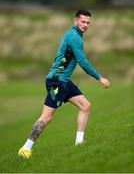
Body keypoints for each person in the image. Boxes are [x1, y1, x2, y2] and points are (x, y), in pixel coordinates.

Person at [18, 9, 110, 158]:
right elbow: (83, 62)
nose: (86, 25)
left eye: (88, 22)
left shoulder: (74, 35)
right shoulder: (74, 37)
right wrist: (99, 77)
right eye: (83, 21)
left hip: (63, 81)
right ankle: (25, 149)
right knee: (47, 116)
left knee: (85, 106)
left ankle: (79, 144)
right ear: (76, 21)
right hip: (57, 82)